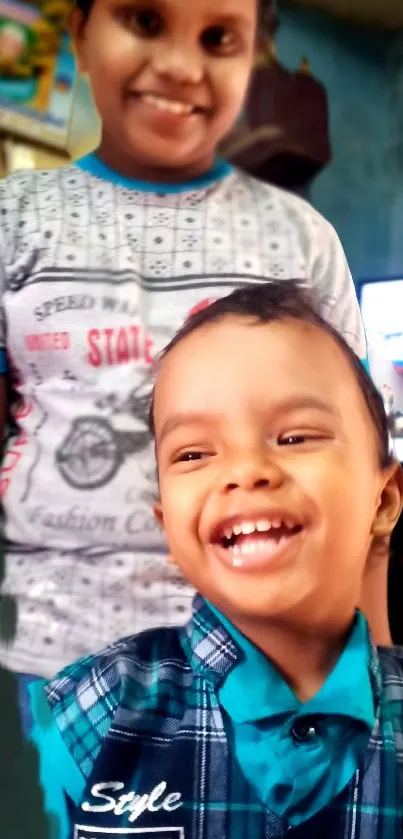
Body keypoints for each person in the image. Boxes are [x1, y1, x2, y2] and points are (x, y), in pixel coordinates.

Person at [0, 0, 369, 722]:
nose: (179, 64)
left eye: (218, 38)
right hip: (43, 664)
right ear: (79, 31)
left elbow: (354, 457)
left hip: (261, 667)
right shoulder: (15, 221)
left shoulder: (300, 241)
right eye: (143, 20)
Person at [28, 281, 403, 839]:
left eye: (295, 437)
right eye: (194, 453)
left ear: (385, 500)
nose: (244, 470)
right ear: (169, 528)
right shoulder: (90, 709)